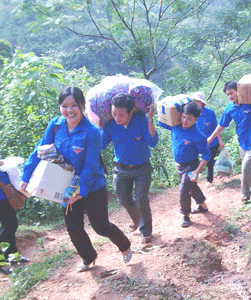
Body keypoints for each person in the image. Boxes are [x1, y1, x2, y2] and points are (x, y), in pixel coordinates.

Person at [20, 86, 132, 272]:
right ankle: (89, 257)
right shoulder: (55, 125)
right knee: (74, 228)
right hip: (64, 184)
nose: (69, 110)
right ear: (60, 107)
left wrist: (80, 192)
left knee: (101, 226)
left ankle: (125, 246)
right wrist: (26, 175)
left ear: (82, 105)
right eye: (64, 106)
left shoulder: (92, 132)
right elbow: (40, 149)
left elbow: (90, 166)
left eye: (74, 105)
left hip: (93, 186)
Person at [101, 92, 158, 244]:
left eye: (121, 115)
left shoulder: (140, 121)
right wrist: (96, 125)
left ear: (131, 111)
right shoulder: (110, 125)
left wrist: (150, 118)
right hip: (120, 169)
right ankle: (137, 219)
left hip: (142, 168)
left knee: (141, 199)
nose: (117, 118)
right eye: (114, 114)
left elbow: (152, 142)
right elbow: (100, 144)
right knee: (122, 199)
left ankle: (146, 232)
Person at [208, 79, 251, 203]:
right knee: (248, 166)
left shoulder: (250, 102)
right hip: (242, 143)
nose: (230, 96)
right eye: (227, 94)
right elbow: (222, 124)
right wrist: (211, 138)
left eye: (231, 93)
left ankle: (245, 193)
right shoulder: (230, 108)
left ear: (239, 91)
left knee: (245, 167)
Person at [158, 102, 211, 227]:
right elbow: (160, 122)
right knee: (191, 187)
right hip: (179, 166)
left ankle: (185, 215)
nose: (185, 121)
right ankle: (202, 206)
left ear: (196, 119)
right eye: (183, 117)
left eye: (189, 119)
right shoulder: (175, 126)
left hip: (192, 166)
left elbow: (206, 155)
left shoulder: (198, 135)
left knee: (183, 189)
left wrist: (197, 171)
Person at [191, 91, 224, 187]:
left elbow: (216, 128)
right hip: (197, 144)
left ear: (201, 102)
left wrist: (220, 140)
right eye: (194, 101)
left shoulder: (210, 113)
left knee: (209, 160)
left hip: (212, 142)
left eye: (197, 101)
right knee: (194, 161)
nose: (195, 103)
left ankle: (209, 180)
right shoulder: (191, 114)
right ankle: (193, 177)